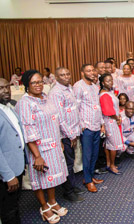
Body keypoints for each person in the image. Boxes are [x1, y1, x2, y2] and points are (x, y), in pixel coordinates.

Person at [16, 70, 69, 223]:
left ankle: (52, 201)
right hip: (38, 149)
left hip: (53, 144)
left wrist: (58, 140)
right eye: (34, 83)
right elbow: (28, 129)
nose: (38, 85)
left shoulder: (45, 98)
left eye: (40, 82)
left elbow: (54, 121)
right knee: (40, 177)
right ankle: (44, 206)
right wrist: (37, 156)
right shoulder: (25, 103)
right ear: (27, 85)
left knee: (51, 176)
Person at [48, 67, 84, 203]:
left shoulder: (69, 88)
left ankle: (72, 186)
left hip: (73, 132)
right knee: (67, 163)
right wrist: (70, 135)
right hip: (65, 135)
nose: (66, 76)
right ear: (56, 77)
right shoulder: (56, 92)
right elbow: (59, 117)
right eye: (62, 75)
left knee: (71, 161)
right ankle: (68, 192)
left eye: (68, 74)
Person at [73, 64, 104, 193]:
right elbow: (76, 108)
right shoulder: (78, 86)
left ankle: (90, 176)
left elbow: (97, 105)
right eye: (88, 71)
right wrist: (81, 126)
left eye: (93, 70)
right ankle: (88, 180)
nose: (92, 73)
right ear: (82, 73)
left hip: (96, 125)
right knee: (87, 155)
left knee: (95, 154)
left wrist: (102, 124)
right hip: (87, 127)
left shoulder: (94, 86)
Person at [0, 78, 25, 223]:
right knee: (8, 210)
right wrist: (8, 176)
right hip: (6, 172)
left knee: (14, 205)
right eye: (1, 88)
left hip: (16, 164)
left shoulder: (9, 107)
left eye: (7, 87)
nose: (5, 90)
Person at [99, 74, 125, 175]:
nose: (110, 82)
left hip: (111, 120)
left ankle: (109, 163)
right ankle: (112, 165)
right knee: (113, 144)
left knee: (108, 144)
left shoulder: (108, 92)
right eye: (107, 81)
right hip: (110, 121)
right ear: (102, 83)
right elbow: (107, 111)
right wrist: (117, 118)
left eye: (111, 80)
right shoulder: (104, 95)